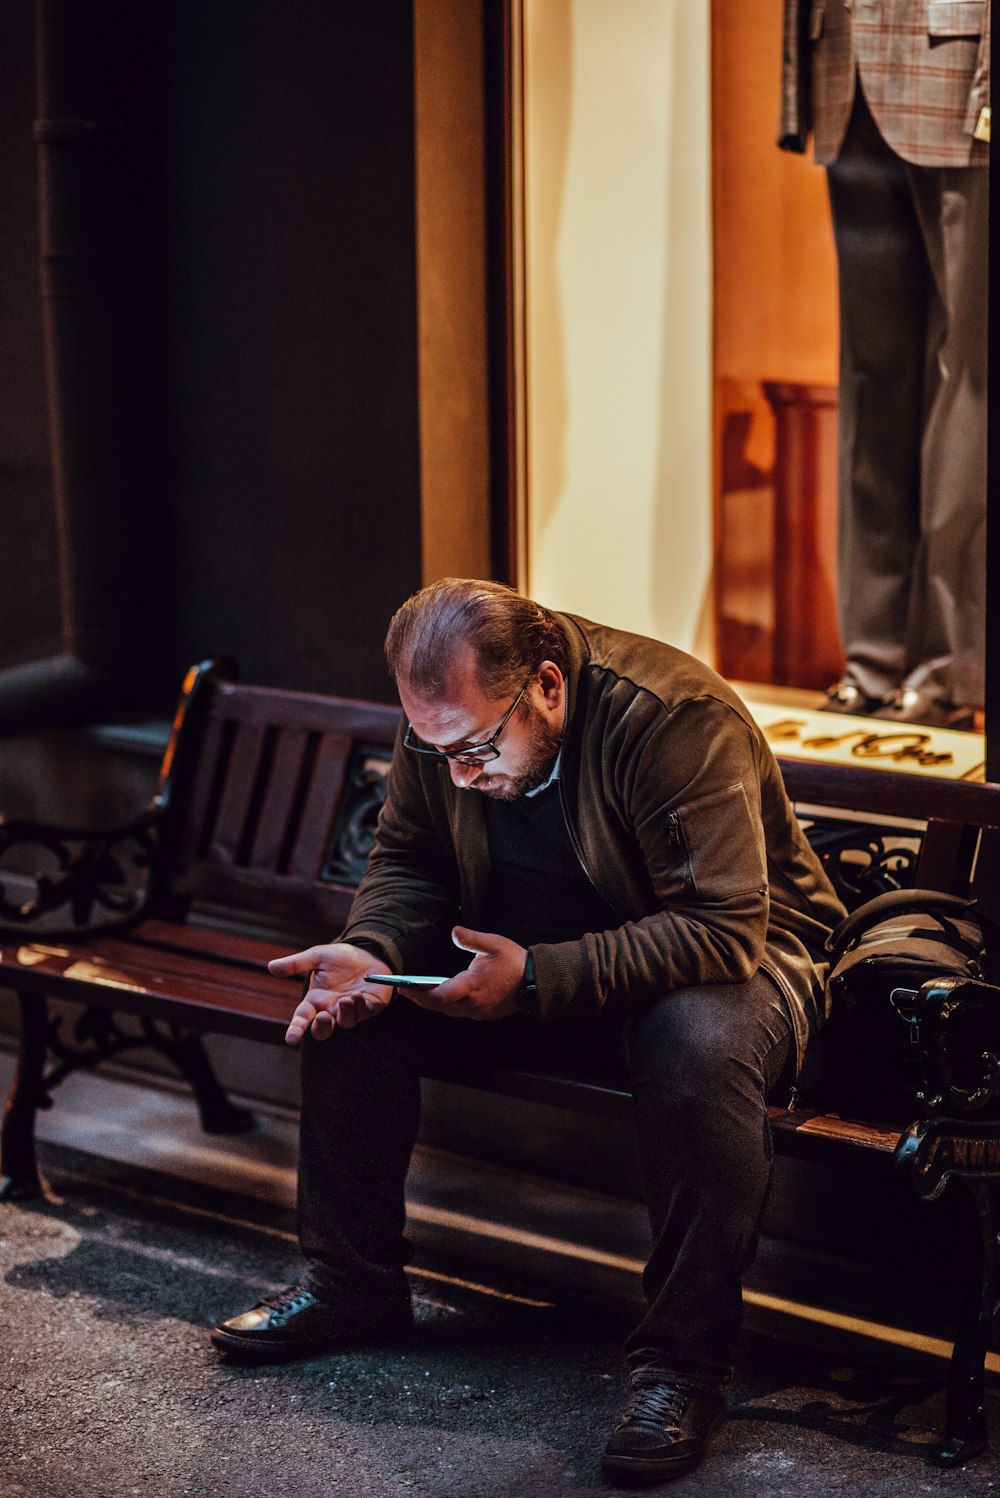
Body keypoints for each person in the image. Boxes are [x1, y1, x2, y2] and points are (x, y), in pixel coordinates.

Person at [212, 579, 845, 1486]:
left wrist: (538, 978)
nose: (461, 773)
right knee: (355, 1005)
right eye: (440, 753)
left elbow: (722, 927)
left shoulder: (672, 716)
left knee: (695, 1048)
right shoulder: (444, 722)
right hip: (534, 962)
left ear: (547, 686)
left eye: (475, 749)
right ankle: (353, 1287)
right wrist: (370, 947)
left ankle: (682, 1368)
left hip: (733, 965)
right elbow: (411, 858)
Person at [779, 0, 989, 729]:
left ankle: (950, 666)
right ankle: (872, 657)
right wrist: (797, 88)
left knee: (968, 380)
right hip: (846, 70)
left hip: (961, 76)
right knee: (872, 381)